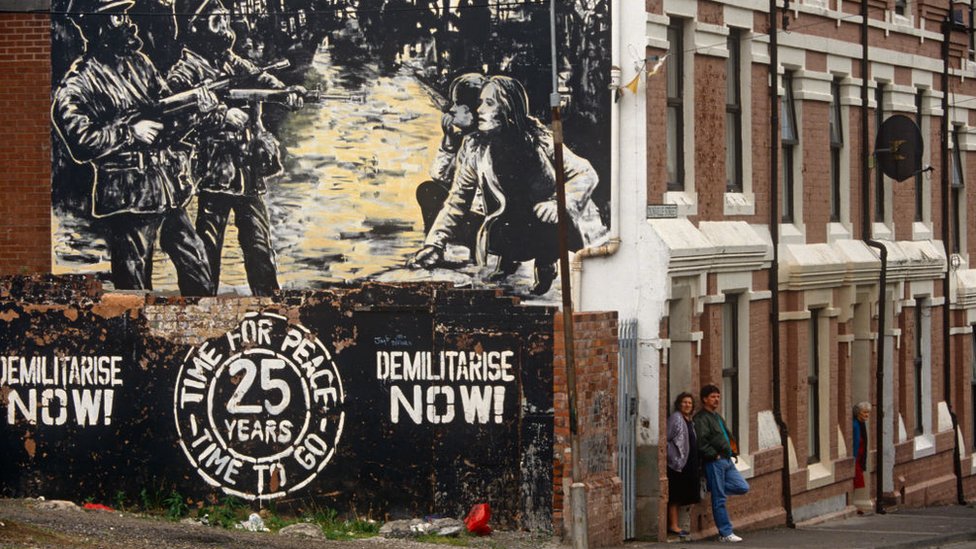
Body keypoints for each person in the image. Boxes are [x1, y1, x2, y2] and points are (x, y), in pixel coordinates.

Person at [52, 0, 214, 295]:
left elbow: (168, 125)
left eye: (124, 14)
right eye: (117, 17)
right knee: (135, 286)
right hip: (128, 196)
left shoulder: (140, 64)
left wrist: (196, 111)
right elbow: (81, 142)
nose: (127, 22)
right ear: (96, 26)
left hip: (166, 188)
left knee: (198, 266)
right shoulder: (79, 82)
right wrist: (129, 132)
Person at [407, 75, 606, 295]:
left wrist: (559, 203)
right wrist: (435, 244)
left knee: (541, 213)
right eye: (480, 102)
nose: (479, 109)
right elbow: (457, 200)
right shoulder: (475, 147)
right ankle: (508, 260)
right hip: (506, 229)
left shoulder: (540, 140)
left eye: (489, 103)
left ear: (508, 109)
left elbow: (586, 172)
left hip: (542, 227)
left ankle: (546, 264)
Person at [167, 0, 303, 296]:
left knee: (258, 244)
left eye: (226, 20)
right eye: (217, 21)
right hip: (215, 171)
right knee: (208, 245)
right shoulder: (184, 72)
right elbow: (177, 121)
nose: (226, 29)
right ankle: (201, 305)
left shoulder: (229, 61)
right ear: (197, 26)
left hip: (247, 168)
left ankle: (269, 304)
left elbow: (259, 78)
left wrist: (285, 93)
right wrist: (219, 115)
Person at [415, 72, 486, 254]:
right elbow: (439, 177)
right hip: (462, 213)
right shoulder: (464, 139)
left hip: (480, 218)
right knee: (428, 189)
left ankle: (458, 247)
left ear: (474, 110)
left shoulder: (484, 142)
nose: (451, 109)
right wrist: (449, 144)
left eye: (457, 104)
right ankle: (435, 245)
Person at [693, 384, 749, 543]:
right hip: (715, 462)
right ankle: (725, 533)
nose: (716, 399)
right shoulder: (701, 418)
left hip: (727, 460)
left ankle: (709, 486)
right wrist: (714, 455)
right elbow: (701, 442)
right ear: (704, 399)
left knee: (742, 486)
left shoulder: (716, 416)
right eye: (713, 397)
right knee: (719, 499)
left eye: (718, 396)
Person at [667, 392, 700, 537]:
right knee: (675, 495)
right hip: (678, 465)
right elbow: (667, 438)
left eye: (690, 403)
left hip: (689, 463)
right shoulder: (676, 418)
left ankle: (676, 525)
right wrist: (673, 457)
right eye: (684, 402)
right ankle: (673, 526)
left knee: (682, 495)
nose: (687, 405)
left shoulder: (689, 420)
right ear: (679, 404)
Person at [853, 401, 871, 491]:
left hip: (859, 459)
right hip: (855, 459)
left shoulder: (862, 424)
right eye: (864, 412)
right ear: (858, 413)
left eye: (868, 412)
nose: (867, 415)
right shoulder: (855, 425)